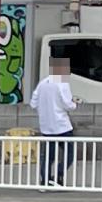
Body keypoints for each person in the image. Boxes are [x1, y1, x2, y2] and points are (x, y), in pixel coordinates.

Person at [30, 56, 77, 185]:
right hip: (62, 125)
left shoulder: (42, 84)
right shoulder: (62, 84)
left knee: (48, 156)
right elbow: (68, 104)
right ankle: (59, 175)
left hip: (46, 126)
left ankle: (44, 180)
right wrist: (74, 104)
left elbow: (33, 103)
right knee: (69, 154)